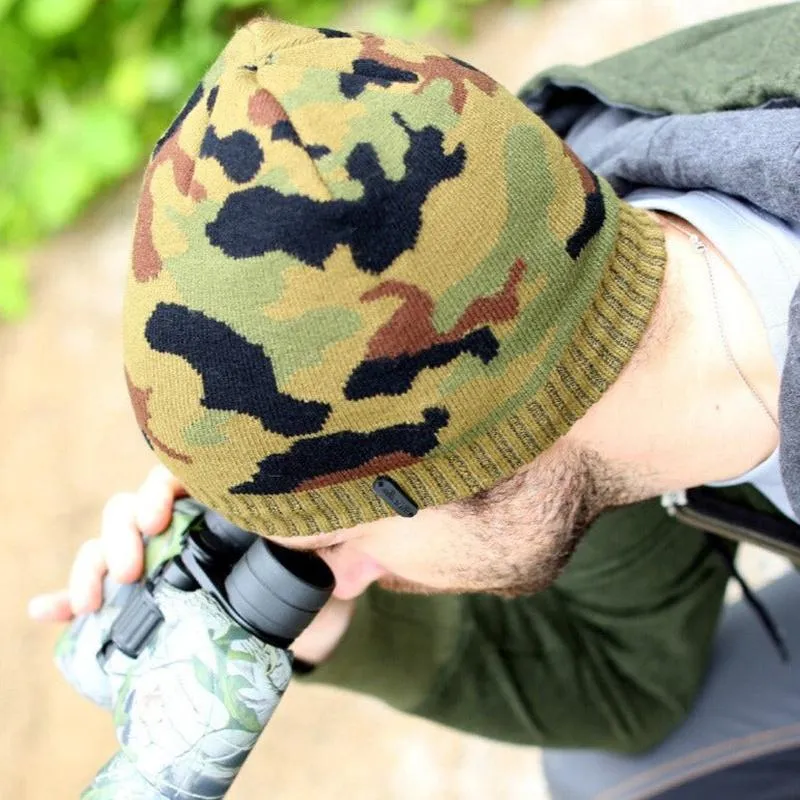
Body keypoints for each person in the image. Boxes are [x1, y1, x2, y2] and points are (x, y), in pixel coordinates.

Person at [29, 6, 800, 796]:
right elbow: (633, 688)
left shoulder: (540, 407)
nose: (351, 577)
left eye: (347, 538)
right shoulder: (567, 285)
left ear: (480, 457)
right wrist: (336, 628)